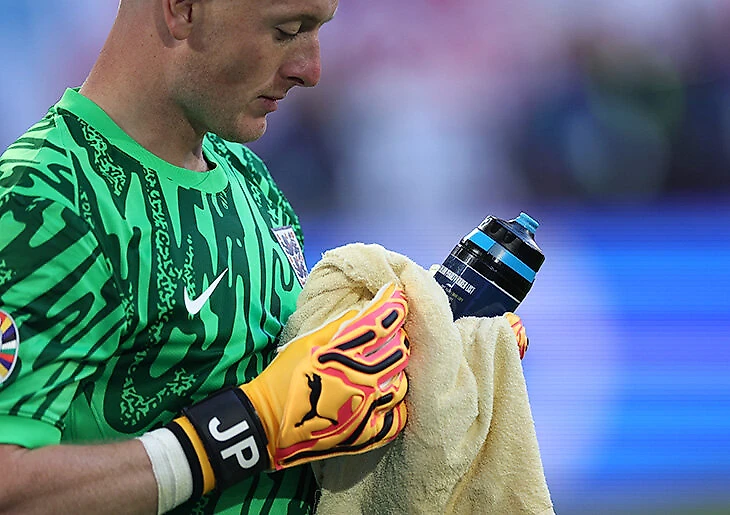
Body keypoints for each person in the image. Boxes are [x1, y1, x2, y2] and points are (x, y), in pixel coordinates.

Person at [0, 0, 412, 513]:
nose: (310, 70)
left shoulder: (247, 174)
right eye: (287, 30)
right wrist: (245, 430)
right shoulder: (45, 201)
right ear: (183, 9)